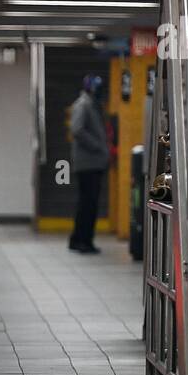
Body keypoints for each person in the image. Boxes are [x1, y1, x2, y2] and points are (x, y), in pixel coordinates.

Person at [69, 75, 109, 254]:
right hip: (88, 164)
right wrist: (97, 146)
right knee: (88, 204)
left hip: (93, 163)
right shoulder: (83, 105)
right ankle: (82, 240)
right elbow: (77, 129)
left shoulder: (91, 105)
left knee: (87, 204)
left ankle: (80, 239)